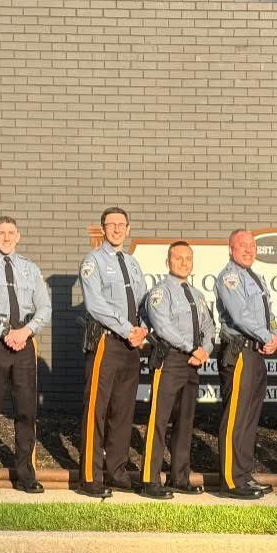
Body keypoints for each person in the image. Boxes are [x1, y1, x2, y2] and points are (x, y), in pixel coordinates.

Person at [0, 216, 51, 495]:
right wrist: (4, 333)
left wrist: (25, 332)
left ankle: (26, 475)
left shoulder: (30, 268)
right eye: (0, 232)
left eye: (10, 232)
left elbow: (44, 308)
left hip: (25, 345)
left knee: (27, 412)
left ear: (19, 236)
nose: (6, 237)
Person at [76, 207, 150, 498]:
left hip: (131, 346)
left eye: (122, 224)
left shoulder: (132, 264)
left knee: (123, 411)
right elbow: (95, 304)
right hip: (107, 342)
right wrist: (126, 328)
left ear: (128, 229)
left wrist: (143, 329)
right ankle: (90, 477)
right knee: (96, 409)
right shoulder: (92, 261)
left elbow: (144, 301)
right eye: (111, 224)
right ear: (103, 229)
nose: (117, 229)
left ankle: (116, 472)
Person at [141, 242, 216, 499]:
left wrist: (205, 349)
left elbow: (209, 326)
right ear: (168, 262)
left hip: (193, 364)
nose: (183, 263)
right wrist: (191, 348)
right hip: (170, 361)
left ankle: (179, 477)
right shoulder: (160, 293)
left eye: (188, 259)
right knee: (158, 421)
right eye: (178, 258)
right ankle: (150, 480)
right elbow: (162, 327)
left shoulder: (197, 294)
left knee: (185, 422)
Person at [215, 230, 277, 498]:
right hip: (240, 352)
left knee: (249, 418)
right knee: (235, 418)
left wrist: (276, 336)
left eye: (252, 245)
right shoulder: (229, 277)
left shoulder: (254, 277)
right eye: (242, 245)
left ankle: (243, 474)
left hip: (256, 353)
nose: (248, 249)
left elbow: (270, 314)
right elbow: (240, 316)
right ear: (231, 249)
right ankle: (231, 481)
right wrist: (267, 336)